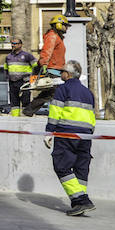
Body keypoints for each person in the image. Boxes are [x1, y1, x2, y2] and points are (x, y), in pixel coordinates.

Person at [46, 60, 96, 216]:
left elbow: (55, 112)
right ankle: (78, 204)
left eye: (62, 72)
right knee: (81, 168)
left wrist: (49, 132)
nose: (60, 74)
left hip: (66, 133)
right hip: (85, 135)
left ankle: (82, 200)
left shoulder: (63, 89)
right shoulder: (88, 93)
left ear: (67, 74)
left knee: (61, 166)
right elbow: (92, 116)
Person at [23, 14, 69, 116]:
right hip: (52, 70)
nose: (67, 28)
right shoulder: (52, 36)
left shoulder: (57, 37)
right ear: (58, 25)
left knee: (51, 93)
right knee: (52, 93)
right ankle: (29, 111)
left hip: (56, 70)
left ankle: (29, 111)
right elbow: (46, 51)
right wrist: (44, 64)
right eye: (65, 25)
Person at [4, 37, 35, 116]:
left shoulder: (27, 56)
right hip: (12, 82)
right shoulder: (8, 57)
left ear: (20, 45)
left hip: (24, 82)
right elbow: (6, 69)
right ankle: (15, 118)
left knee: (25, 101)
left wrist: (33, 79)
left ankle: (26, 118)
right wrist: (8, 78)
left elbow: (36, 66)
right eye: (12, 43)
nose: (13, 45)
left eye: (15, 43)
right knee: (14, 103)